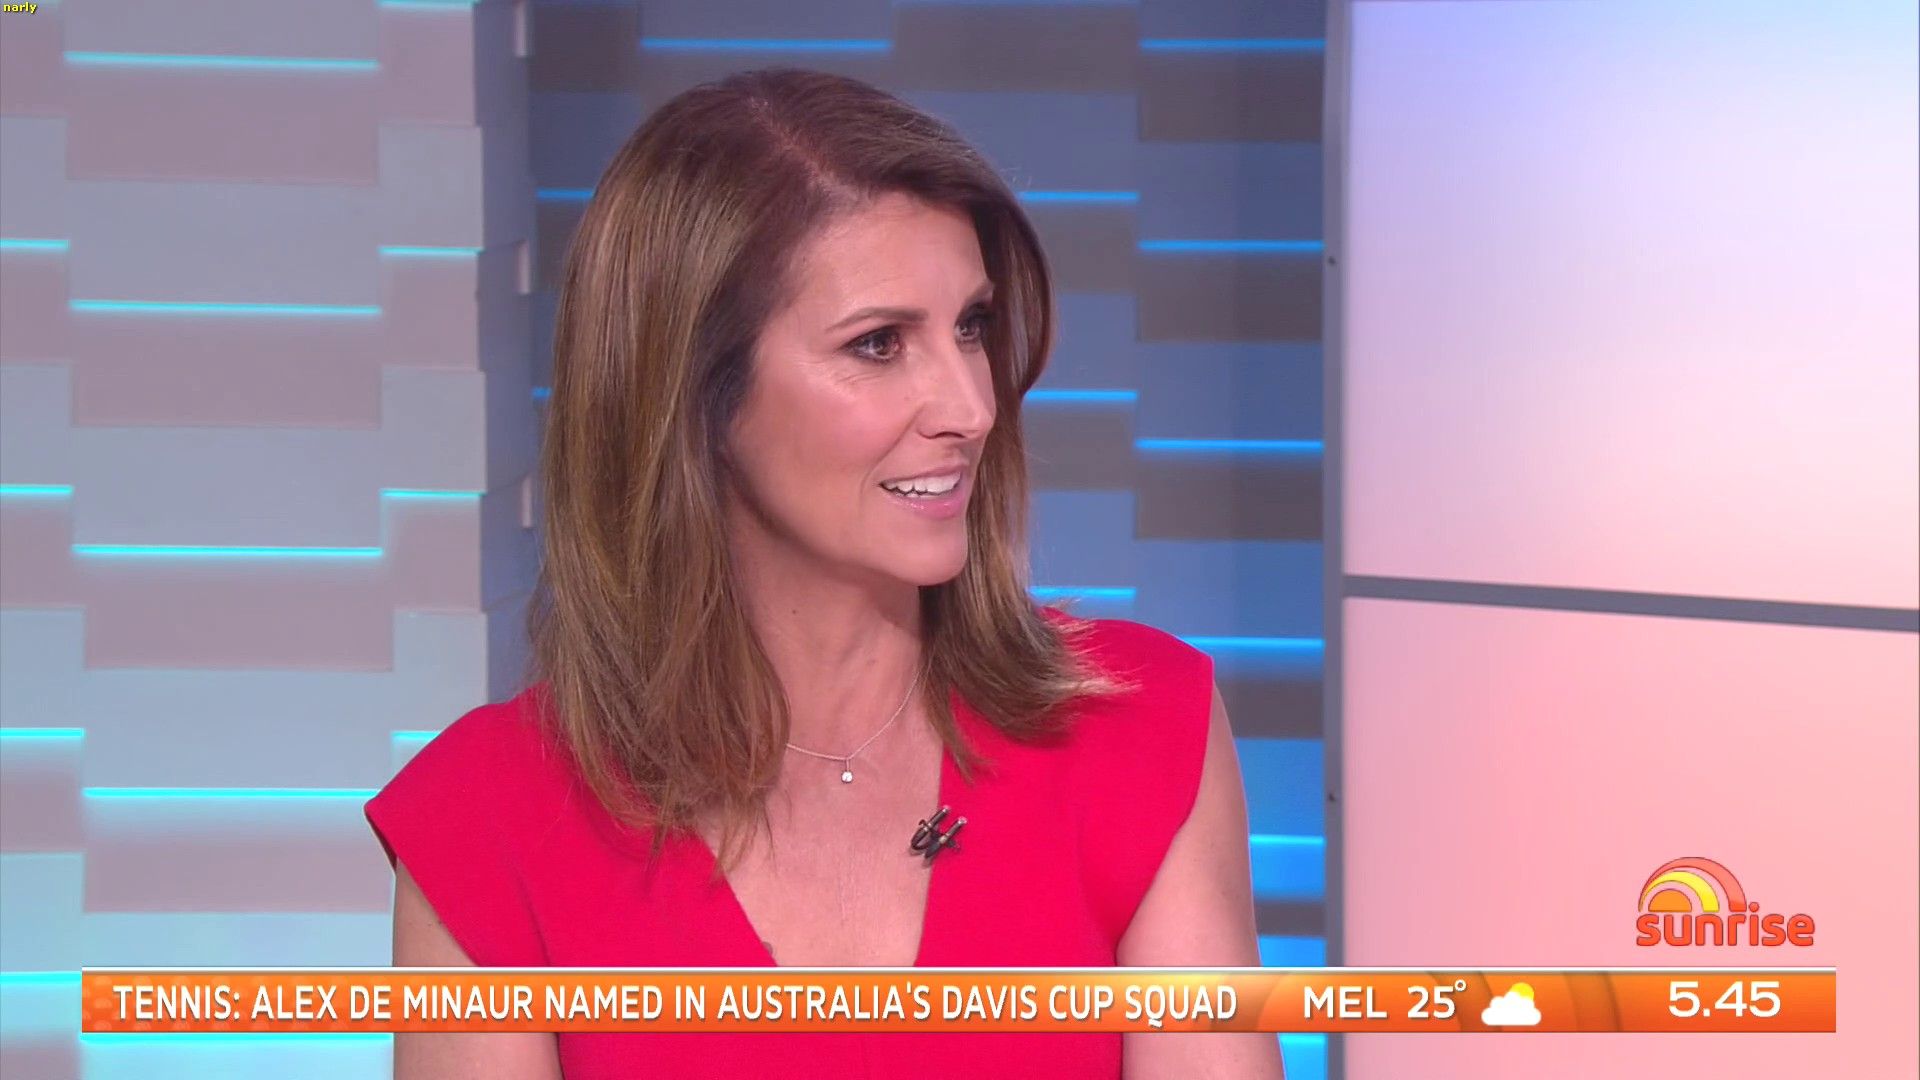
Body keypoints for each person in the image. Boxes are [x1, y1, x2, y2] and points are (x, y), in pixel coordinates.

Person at [365, 67, 1282, 1080]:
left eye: (971, 327)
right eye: (879, 344)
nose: (970, 407)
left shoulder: (1139, 733)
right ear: (696, 398)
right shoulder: (486, 823)